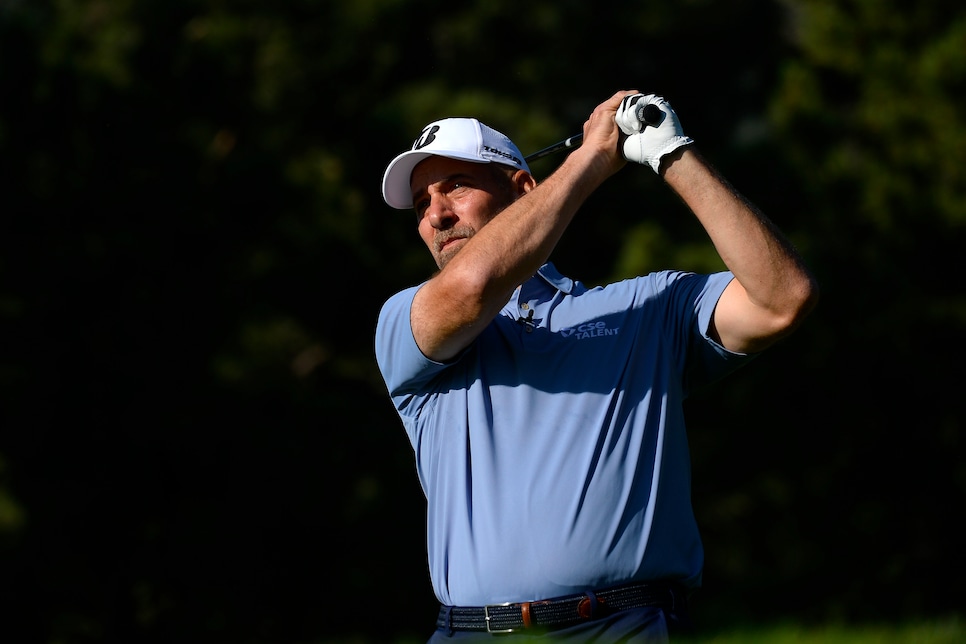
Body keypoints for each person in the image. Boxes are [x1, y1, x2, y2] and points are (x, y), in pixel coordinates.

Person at [374, 90, 818, 642]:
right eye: (421, 203)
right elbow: (469, 293)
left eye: (456, 186)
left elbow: (783, 298)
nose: (436, 214)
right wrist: (590, 159)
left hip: (626, 627)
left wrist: (671, 153)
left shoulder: (646, 309)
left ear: (523, 186)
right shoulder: (406, 323)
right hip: (473, 633)